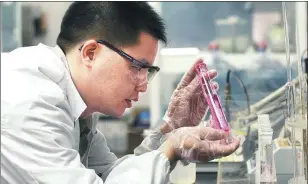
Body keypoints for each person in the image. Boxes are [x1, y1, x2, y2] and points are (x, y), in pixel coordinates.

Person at [1, 2, 240, 184]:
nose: (143, 84)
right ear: (91, 53)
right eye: (137, 66)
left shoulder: (76, 103)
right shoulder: (31, 101)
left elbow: (110, 175)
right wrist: (172, 148)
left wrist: (169, 130)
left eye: (148, 70)